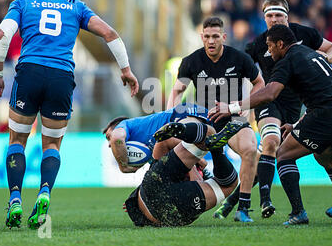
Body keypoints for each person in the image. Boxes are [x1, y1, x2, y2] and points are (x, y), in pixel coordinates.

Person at [0, 0, 139, 229]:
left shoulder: (23, 4)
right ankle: (44, 193)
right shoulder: (76, 7)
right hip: (61, 77)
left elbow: (1, 35)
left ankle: (14, 200)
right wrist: (125, 70)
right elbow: (110, 33)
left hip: (30, 73)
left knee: (17, 140)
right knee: (52, 145)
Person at [209, 25, 332, 226]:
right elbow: (324, 91)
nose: (269, 51)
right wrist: (299, 124)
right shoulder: (309, 53)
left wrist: (233, 107)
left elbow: (269, 93)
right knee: (325, 157)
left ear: (281, 44)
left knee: (283, 155)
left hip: (327, 117)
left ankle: (298, 212)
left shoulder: (287, 60)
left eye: (270, 46)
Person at [167, 16, 265, 222]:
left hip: (233, 120)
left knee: (250, 150)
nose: (211, 41)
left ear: (224, 37)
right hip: (205, 123)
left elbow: (260, 83)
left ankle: (243, 209)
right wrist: (169, 117)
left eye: (216, 36)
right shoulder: (191, 62)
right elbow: (177, 91)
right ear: (202, 37)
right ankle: (167, 196)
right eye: (208, 37)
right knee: (173, 149)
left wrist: (243, 105)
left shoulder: (239, 58)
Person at [123, 119, 249, 227]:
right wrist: (194, 165)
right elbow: (196, 182)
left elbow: (162, 142)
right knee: (229, 183)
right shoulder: (198, 178)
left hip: (152, 195)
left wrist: (194, 163)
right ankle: (214, 148)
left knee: (209, 134)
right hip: (168, 204)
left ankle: (187, 133)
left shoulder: (168, 172)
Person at [102, 103, 210, 174]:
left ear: (116, 127)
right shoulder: (148, 148)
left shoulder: (124, 124)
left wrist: (123, 165)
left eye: (108, 137)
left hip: (181, 114)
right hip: (186, 119)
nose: (109, 144)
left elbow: (116, 138)